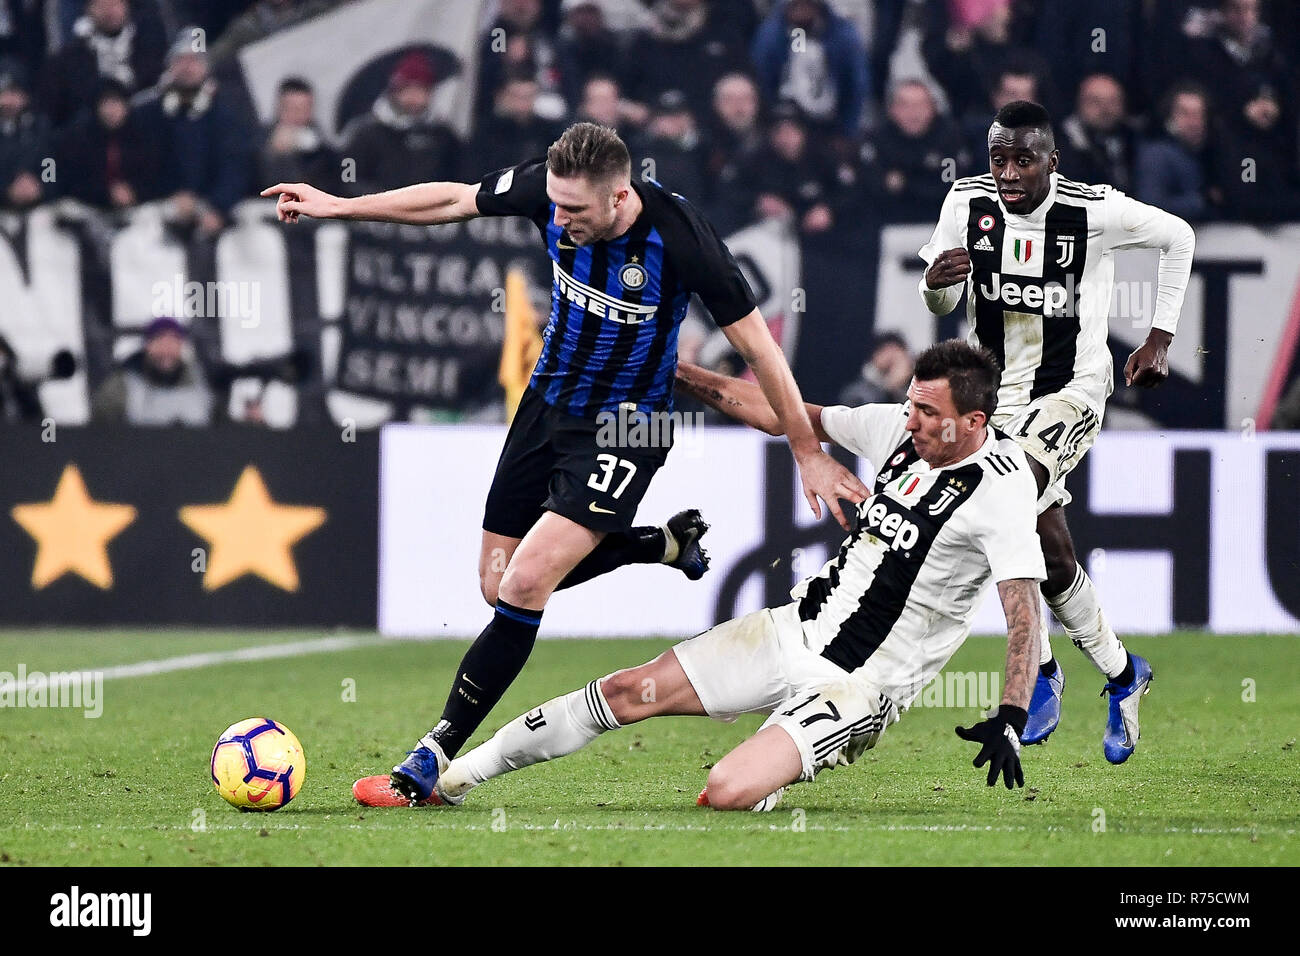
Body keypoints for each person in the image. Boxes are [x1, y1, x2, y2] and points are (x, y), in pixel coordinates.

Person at [262, 121, 867, 804]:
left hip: (628, 424)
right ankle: (657, 544)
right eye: (554, 203)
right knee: (496, 588)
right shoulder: (548, 189)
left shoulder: (682, 238)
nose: (558, 217)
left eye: (575, 210)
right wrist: (340, 206)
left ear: (619, 196)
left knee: (523, 587)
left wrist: (807, 451)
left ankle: (428, 761)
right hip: (545, 406)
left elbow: (760, 350)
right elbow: (453, 201)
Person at [352, 340, 1046, 809]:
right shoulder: (898, 429)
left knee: (725, 792)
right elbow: (783, 414)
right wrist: (681, 373)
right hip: (788, 631)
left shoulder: (1002, 490)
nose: (913, 419)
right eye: (914, 404)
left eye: (929, 412)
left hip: (859, 686)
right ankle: (451, 779)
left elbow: (1022, 613)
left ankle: (784, 757)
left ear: (973, 421)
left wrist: (1012, 714)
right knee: (625, 691)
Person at [919, 100, 1196, 762]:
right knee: (1050, 552)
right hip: (991, 399)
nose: (1009, 173)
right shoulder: (966, 203)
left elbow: (1178, 236)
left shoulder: (1091, 211)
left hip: (1071, 391)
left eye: (1023, 159)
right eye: (998, 159)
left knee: (1000, 501)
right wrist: (936, 284)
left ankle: (1041, 673)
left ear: (1051, 160)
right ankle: (1124, 674)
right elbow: (940, 296)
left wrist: (1160, 336)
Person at [91, 317, 214, 425]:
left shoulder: (200, 383)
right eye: (160, 341)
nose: (166, 350)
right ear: (147, 345)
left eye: (173, 342)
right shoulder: (123, 384)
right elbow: (103, 427)